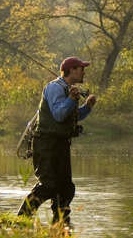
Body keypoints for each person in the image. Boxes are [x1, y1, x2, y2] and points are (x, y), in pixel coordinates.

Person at [17, 57, 97, 228]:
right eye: (81, 68)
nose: (84, 71)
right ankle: (20, 221)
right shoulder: (54, 87)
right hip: (47, 143)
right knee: (49, 185)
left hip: (60, 143)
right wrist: (72, 98)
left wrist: (87, 107)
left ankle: (61, 226)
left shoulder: (69, 90)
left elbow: (72, 116)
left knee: (65, 187)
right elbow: (58, 115)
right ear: (72, 71)